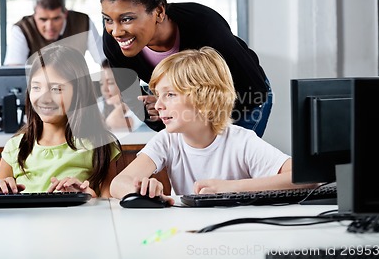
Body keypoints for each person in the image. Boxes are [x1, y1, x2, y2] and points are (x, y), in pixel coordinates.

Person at [110, 47, 314, 204]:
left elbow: (307, 177)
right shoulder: (167, 141)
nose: (159, 105)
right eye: (158, 96)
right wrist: (143, 191)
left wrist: (231, 188)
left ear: (204, 98)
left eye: (170, 95)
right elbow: (119, 184)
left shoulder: (241, 141)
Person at [98, 0, 272, 137]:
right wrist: (157, 115)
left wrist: (184, 110)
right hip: (189, 108)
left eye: (127, 19)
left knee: (225, 163)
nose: (115, 31)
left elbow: (254, 89)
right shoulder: (113, 42)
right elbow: (132, 96)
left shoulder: (206, 27)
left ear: (159, 11)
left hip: (245, 98)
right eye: (108, 19)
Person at [0, 43, 121, 197]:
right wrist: (1, 188)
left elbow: (110, 209)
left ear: (79, 92)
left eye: (56, 89)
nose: (44, 99)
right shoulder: (15, 147)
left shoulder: (100, 144)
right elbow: (1, 204)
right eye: (36, 87)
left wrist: (89, 198)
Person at [4, 0, 105, 66]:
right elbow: (14, 70)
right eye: (43, 19)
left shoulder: (83, 22)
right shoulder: (22, 29)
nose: (49, 26)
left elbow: (104, 60)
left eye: (56, 19)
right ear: (34, 15)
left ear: (65, 14)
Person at [98, 59, 143, 132]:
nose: (104, 89)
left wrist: (126, 103)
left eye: (110, 83)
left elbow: (113, 123)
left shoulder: (138, 110)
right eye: (101, 83)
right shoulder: (100, 104)